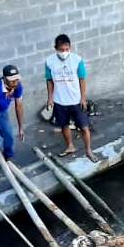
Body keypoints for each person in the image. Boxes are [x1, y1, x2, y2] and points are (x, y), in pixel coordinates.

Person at [45, 34, 97, 163]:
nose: (64, 52)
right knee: (64, 126)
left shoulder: (77, 60)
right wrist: (50, 98)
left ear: (70, 48)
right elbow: (49, 80)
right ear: (55, 48)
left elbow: (82, 79)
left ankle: (88, 150)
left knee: (84, 127)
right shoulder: (49, 62)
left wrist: (83, 98)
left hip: (76, 100)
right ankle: (70, 146)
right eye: (61, 50)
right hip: (59, 101)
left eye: (67, 49)